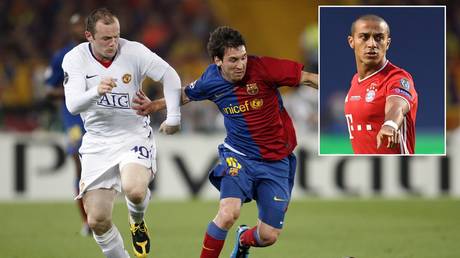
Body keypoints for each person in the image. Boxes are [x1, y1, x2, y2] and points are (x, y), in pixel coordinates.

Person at [133, 26, 318, 258]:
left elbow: (309, 79)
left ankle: (243, 240)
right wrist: (155, 106)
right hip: (238, 155)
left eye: (243, 57)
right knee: (228, 212)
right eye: (233, 60)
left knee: (268, 235)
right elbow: (185, 95)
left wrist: (352, 91)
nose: (241, 64)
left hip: (277, 160)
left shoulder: (264, 67)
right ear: (217, 60)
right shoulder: (211, 79)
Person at [62, 8, 181, 258]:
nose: (113, 43)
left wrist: (173, 117)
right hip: (97, 142)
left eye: (116, 36)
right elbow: (72, 105)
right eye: (106, 38)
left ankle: (136, 220)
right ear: (89, 37)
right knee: (97, 220)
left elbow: (170, 75)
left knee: (135, 190)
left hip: (133, 134)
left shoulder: (134, 51)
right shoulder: (74, 59)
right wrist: (96, 91)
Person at [344, 14, 418, 154]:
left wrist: (390, 124)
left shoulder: (397, 78)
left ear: (387, 43)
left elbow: (397, 105)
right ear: (351, 41)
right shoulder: (355, 81)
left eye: (379, 38)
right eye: (364, 37)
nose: (372, 44)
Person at [44, 13, 90, 236]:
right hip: (74, 120)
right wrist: (74, 92)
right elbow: (48, 90)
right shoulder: (62, 56)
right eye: (76, 25)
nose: (80, 29)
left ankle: (101, 215)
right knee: (80, 166)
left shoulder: (103, 52)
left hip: (101, 119)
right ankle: (86, 221)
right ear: (70, 30)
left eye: (84, 25)